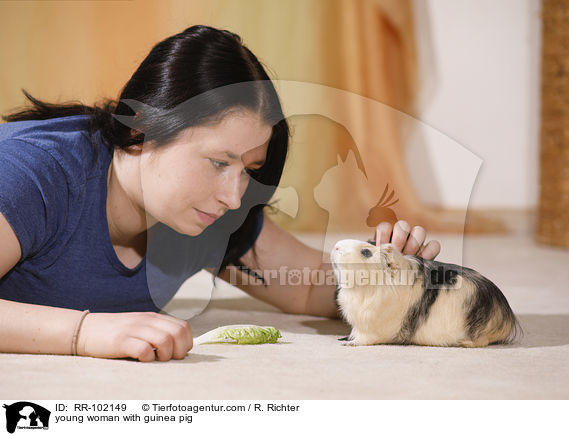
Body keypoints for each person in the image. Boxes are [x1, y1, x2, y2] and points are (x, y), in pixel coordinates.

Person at [0, 25, 440, 362]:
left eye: (250, 169)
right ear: (141, 130)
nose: (234, 197)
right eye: (217, 163)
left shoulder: (210, 214)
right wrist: (84, 334)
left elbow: (305, 288)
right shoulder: (32, 175)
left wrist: (391, 276)